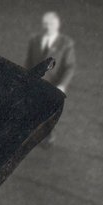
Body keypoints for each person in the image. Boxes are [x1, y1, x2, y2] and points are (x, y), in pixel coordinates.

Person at [25, 12, 76, 146]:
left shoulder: (66, 44)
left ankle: (48, 135)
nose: (49, 27)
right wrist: (26, 78)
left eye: (52, 24)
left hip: (54, 84)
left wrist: (63, 85)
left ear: (58, 24)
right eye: (46, 24)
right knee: (33, 108)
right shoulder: (35, 40)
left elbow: (69, 67)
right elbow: (29, 61)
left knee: (49, 111)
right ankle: (32, 133)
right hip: (36, 82)